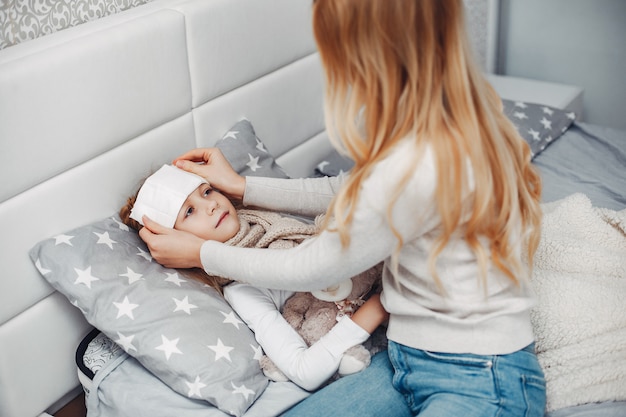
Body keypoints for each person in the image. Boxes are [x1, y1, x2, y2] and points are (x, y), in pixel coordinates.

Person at [138, 0, 547, 416]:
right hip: (408, 356)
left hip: (475, 375)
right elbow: (348, 189)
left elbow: (313, 266)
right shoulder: (441, 125)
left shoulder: (415, 165)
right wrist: (245, 186)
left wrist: (201, 253)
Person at [119, 164, 388, 392]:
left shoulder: (275, 225)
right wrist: (377, 307)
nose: (211, 204)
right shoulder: (243, 291)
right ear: (176, 244)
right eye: (189, 211)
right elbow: (304, 370)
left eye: (207, 191)